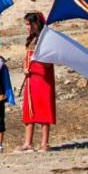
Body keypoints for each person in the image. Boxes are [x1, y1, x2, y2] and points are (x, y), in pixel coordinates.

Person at [21, 12, 56, 152]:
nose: (28, 27)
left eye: (29, 24)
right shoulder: (31, 40)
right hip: (31, 78)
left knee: (43, 107)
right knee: (29, 108)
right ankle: (28, 142)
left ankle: (44, 143)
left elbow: (49, 61)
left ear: (36, 24)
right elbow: (26, 57)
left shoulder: (45, 39)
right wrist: (25, 68)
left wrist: (37, 62)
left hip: (43, 78)